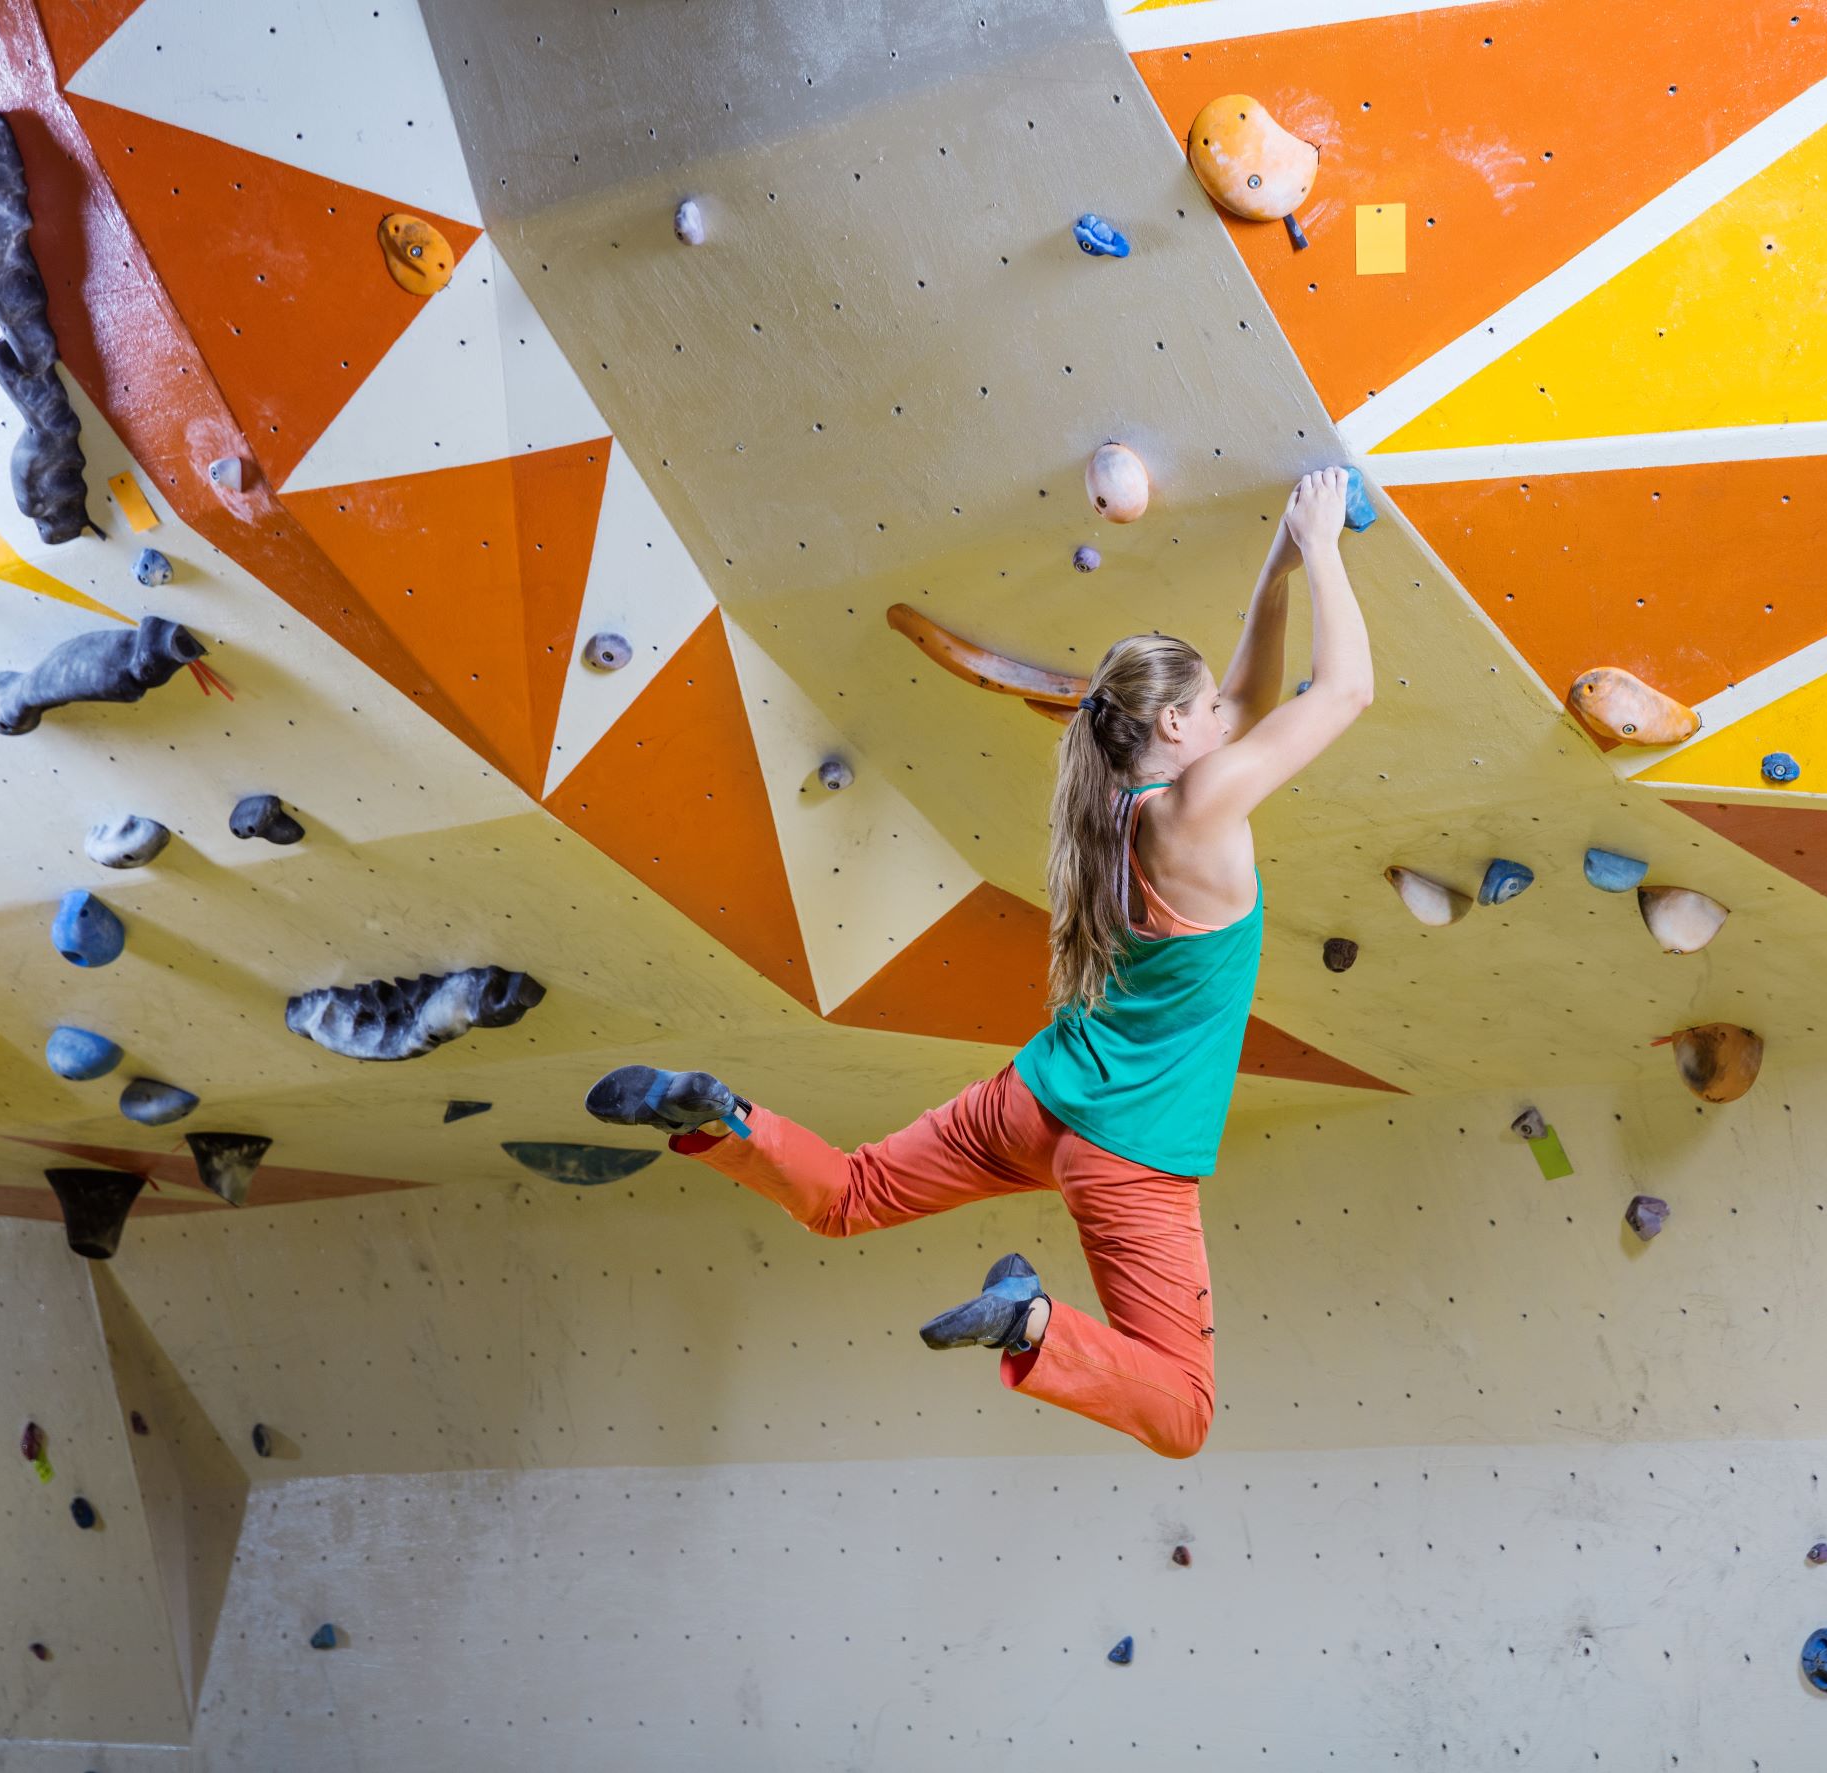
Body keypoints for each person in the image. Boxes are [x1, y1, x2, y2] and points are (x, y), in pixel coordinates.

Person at [585, 468, 1373, 1457]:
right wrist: (1329, 549)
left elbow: (1249, 702)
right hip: (1128, 1152)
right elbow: (1343, 690)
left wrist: (1282, 562)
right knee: (1180, 1415)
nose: (1226, 713)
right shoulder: (1199, 812)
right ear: (1175, 728)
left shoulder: (1115, 816)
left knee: (847, 1197)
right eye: (1205, 705)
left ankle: (717, 1117)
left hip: (1032, 1104)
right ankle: (1032, 1324)